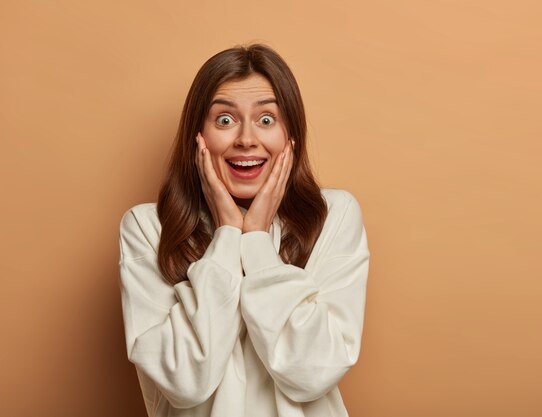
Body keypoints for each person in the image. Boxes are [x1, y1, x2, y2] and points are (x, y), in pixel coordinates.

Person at [118, 43, 370, 417]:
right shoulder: (147, 227)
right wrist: (226, 237)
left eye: (267, 120)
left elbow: (314, 372)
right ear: (197, 137)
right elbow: (186, 382)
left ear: (290, 135)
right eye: (224, 120)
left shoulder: (334, 215)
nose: (246, 139)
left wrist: (255, 241)